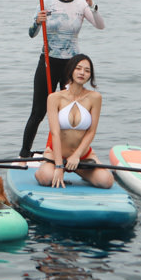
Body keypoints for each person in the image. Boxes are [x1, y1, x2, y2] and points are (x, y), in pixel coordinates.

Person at [19, 0, 104, 157]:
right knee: (39, 111)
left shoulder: (81, 5)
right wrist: (36, 22)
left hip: (72, 67)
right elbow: (32, 34)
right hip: (48, 61)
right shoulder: (47, 3)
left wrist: (93, 6)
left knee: (67, 113)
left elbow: (100, 25)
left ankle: (67, 152)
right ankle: (24, 154)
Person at [34, 54, 113, 189]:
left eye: (87, 70)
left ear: (90, 75)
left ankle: (79, 171)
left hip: (82, 157)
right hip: (56, 155)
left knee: (106, 181)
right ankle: (45, 168)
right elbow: (55, 133)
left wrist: (76, 156)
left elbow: (91, 131)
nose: (82, 73)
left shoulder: (95, 98)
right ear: (71, 70)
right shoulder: (54, 98)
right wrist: (59, 166)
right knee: (46, 178)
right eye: (78, 68)